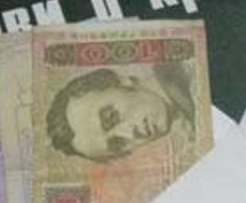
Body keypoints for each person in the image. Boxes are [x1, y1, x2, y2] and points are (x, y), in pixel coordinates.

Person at [46, 62, 196, 163]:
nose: (130, 134)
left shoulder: (188, 67)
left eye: (111, 117)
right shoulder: (191, 133)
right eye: (117, 143)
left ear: (123, 82)